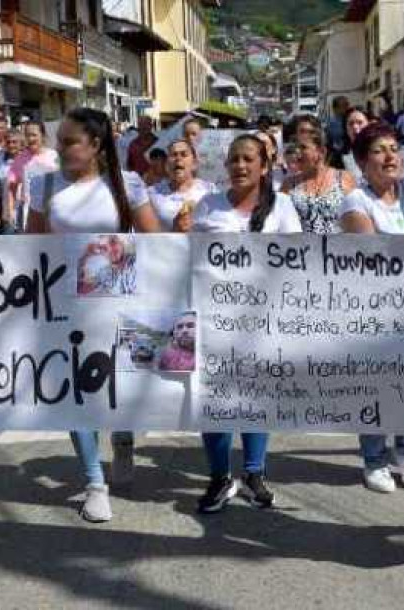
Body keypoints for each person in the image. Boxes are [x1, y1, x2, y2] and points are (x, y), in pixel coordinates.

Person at [26, 107, 161, 521]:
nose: (60, 148)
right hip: (67, 306)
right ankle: (93, 481)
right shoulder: (44, 186)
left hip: (121, 300)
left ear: (96, 145)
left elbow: (157, 241)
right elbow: (30, 246)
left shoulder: (127, 184)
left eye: (69, 141)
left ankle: (122, 442)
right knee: (75, 393)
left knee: (121, 382)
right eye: (59, 140)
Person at [174, 133, 301, 513]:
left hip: (263, 323)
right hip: (214, 321)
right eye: (233, 159)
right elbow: (189, 258)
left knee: (256, 397)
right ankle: (219, 477)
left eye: (248, 159)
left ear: (264, 165)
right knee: (213, 400)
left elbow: (296, 262)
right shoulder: (208, 206)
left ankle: (254, 474)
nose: (240, 166)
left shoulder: (283, 208)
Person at [338, 123, 404, 494]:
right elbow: (373, 254)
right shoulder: (356, 201)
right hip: (373, 307)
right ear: (361, 161)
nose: (391, 156)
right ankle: (374, 458)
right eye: (378, 150)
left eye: (394, 148)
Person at [283, 130, 355, 234]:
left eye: (303, 147)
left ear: (321, 151)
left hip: (338, 248)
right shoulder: (289, 184)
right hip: (302, 248)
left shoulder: (344, 178)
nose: (297, 153)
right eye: (296, 148)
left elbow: (355, 216)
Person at [147, 139, 216, 230]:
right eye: (173, 155)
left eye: (184, 154)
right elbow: (145, 234)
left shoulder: (209, 191)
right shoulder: (152, 194)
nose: (178, 159)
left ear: (194, 163)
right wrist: (175, 230)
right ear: (167, 164)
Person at [6, 120, 58, 232]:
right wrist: (10, 211)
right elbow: (11, 187)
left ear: (43, 135)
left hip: (54, 214)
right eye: (27, 135)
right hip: (30, 216)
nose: (30, 139)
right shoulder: (20, 159)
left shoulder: (54, 157)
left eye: (34, 135)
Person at [0, 128, 23, 234]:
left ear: (21, 143)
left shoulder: (28, 159)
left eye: (14, 142)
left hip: (26, 211)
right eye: (8, 142)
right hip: (7, 211)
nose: (11, 145)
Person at [342, 107, 374, 184]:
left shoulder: (380, 153)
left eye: (360, 122)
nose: (355, 127)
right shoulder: (338, 158)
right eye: (351, 123)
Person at [325, 95, 350, 167]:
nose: (347, 108)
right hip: (338, 159)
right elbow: (329, 143)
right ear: (335, 109)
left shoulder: (351, 120)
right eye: (344, 105)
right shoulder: (331, 124)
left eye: (347, 105)